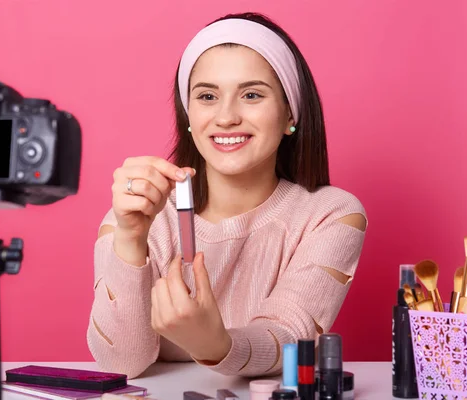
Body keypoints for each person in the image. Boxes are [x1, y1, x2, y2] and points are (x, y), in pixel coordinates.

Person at [86, 11, 368, 379]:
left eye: (251, 94)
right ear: (188, 115)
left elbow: (291, 338)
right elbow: (121, 364)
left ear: (290, 115)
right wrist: (129, 239)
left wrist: (215, 345)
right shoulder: (141, 212)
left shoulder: (331, 214)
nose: (226, 117)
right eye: (207, 96)